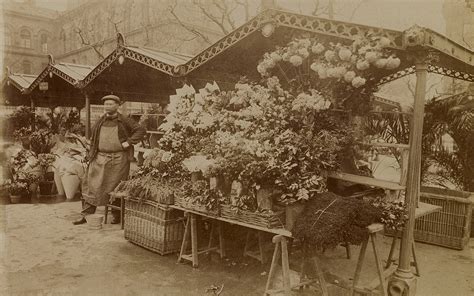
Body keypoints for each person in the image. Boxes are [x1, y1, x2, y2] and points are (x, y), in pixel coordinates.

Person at [73, 95, 146, 225]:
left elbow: (140, 130)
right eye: (106, 104)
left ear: (117, 106)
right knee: (91, 185)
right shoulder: (101, 120)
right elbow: (94, 136)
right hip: (99, 158)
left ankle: (117, 215)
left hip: (118, 160)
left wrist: (129, 142)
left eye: (111, 104)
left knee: (117, 187)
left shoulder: (124, 120)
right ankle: (86, 214)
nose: (107, 106)